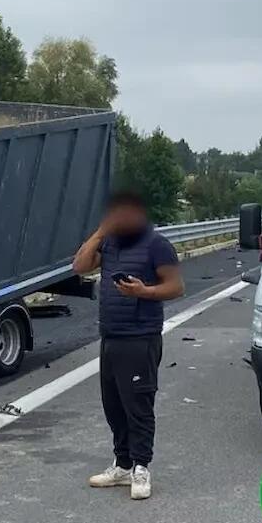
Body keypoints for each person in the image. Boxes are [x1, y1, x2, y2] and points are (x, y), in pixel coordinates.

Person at [73, 190, 184, 500]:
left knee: (138, 405)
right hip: (110, 337)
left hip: (141, 338)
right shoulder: (108, 243)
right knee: (114, 406)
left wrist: (143, 292)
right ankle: (121, 464)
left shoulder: (157, 245)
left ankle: (141, 467)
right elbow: (79, 266)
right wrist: (98, 234)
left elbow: (176, 286)